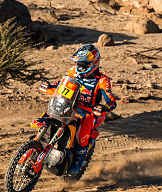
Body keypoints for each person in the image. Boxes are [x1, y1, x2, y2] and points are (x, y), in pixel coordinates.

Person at [40, 43, 116, 175]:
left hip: (88, 112)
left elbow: (111, 100)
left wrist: (104, 107)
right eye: (78, 63)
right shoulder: (72, 72)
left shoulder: (102, 80)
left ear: (94, 64)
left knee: (82, 135)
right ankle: (39, 142)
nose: (79, 67)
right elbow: (61, 84)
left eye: (83, 65)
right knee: (47, 115)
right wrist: (49, 86)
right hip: (68, 105)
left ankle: (79, 160)